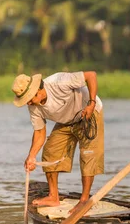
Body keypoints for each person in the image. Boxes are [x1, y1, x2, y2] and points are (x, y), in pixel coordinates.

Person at [11, 71, 104, 213]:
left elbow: (91, 75)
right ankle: (53, 197)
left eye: (29, 98)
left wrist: (91, 104)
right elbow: (40, 133)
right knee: (50, 151)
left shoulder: (59, 82)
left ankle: (84, 200)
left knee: (88, 155)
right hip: (66, 120)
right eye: (25, 100)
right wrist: (31, 156)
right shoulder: (33, 107)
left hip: (88, 112)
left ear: (38, 90)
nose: (28, 103)